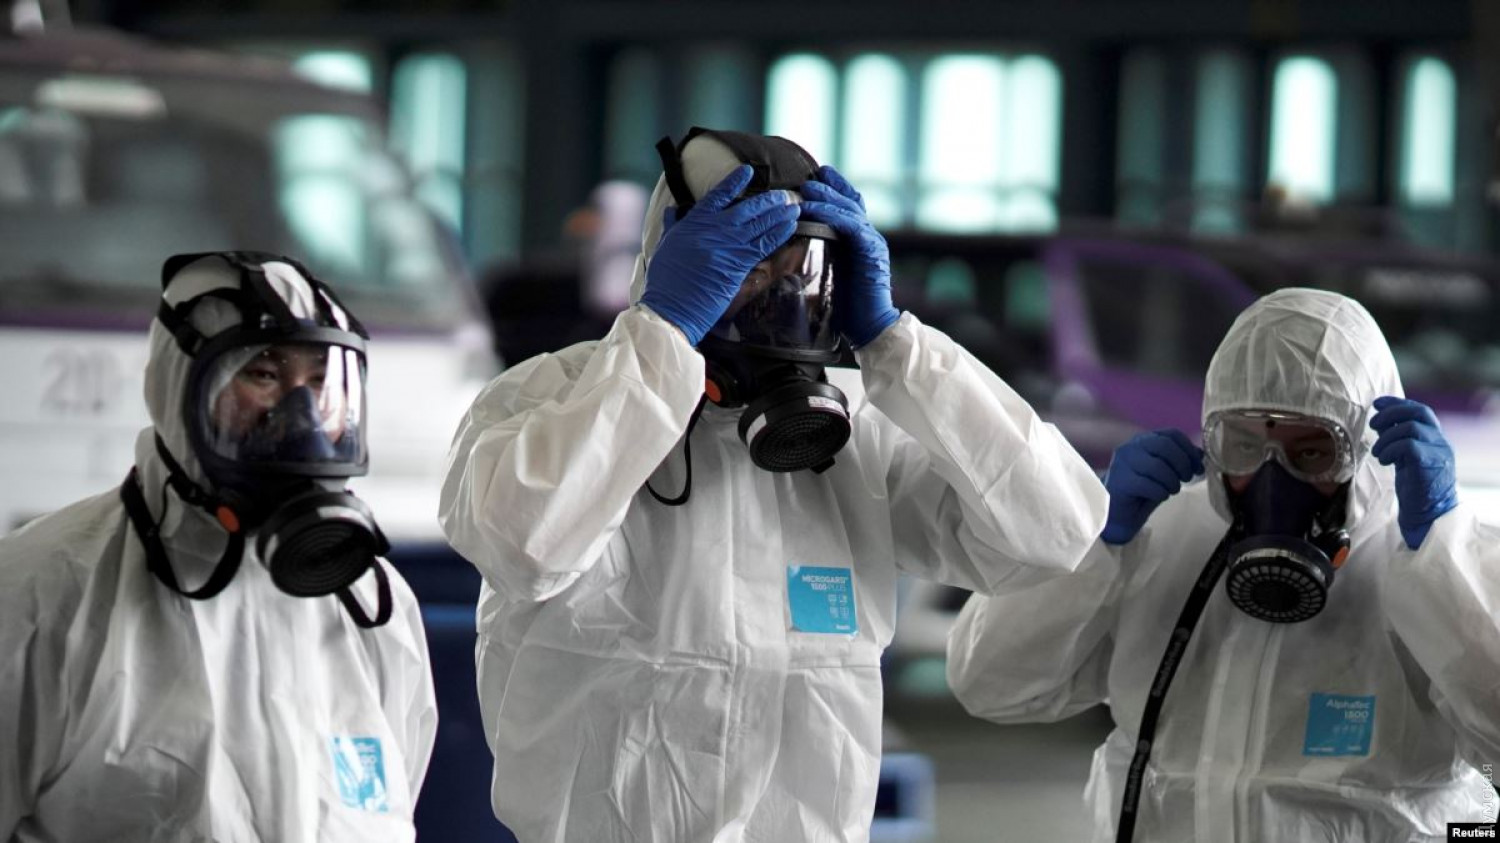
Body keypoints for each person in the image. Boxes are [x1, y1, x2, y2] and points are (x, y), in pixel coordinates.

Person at [439, 127, 1107, 842]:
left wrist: (895, 343)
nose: (783, 299)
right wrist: (664, 335)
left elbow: (1056, 531)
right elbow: (523, 544)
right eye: (750, 267)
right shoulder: (547, 399)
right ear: (677, 256)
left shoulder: (858, 436)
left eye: (804, 271)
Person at [947, 288, 1500, 842]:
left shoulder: (1430, 561)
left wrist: (1442, 559)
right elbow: (989, 684)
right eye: (1243, 445)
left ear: (1361, 448)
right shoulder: (1161, 537)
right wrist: (1094, 544)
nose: (1271, 478)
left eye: (1311, 452)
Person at [0, 251, 437, 841]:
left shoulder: (373, 607)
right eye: (264, 374)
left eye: (320, 382)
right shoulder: (43, 593)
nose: (303, 416)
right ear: (179, 386)